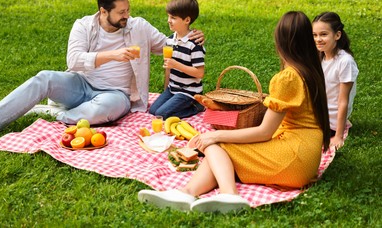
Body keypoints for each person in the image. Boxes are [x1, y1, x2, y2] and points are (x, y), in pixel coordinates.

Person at [138, 11, 331, 213]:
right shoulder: (310, 69)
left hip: (294, 160)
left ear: (281, 41)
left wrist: (215, 135)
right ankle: (185, 193)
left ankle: (230, 195)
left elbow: (264, 132)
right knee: (219, 158)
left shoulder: (288, 78)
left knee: (217, 146)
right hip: (307, 156)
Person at [0, 0, 205, 133]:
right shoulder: (83, 25)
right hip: (82, 85)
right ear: (103, 11)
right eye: (121, 12)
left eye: (128, 9)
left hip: (115, 95)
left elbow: (167, 45)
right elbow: (73, 61)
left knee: (106, 109)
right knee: (44, 78)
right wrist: (113, 55)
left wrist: (189, 36)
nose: (127, 15)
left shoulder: (138, 26)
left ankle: (56, 115)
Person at [149, 0, 205, 119]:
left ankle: (197, 106)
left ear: (187, 20)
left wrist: (175, 64)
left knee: (161, 114)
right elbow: (169, 69)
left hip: (189, 92)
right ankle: (174, 105)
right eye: (168, 16)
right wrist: (166, 90)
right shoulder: (170, 40)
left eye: (173, 18)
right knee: (153, 111)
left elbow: (200, 73)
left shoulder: (194, 44)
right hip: (173, 88)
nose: (169, 20)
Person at [312, 12, 359, 150]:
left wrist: (338, 136)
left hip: (330, 122)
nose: (318, 39)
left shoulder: (345, 62)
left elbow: (343, 101)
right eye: (315, 35)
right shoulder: (321, 58)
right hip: (317, 115)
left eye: (323, 34)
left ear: (337, 35)